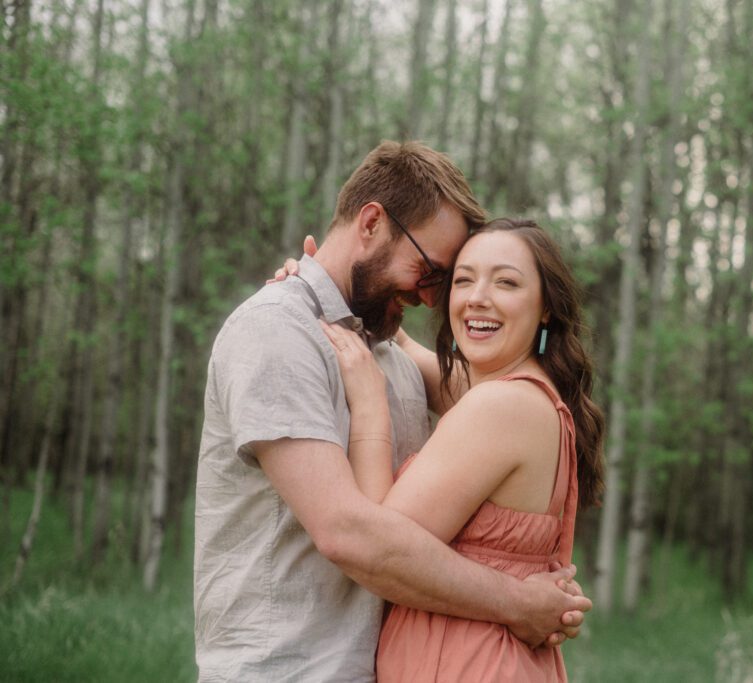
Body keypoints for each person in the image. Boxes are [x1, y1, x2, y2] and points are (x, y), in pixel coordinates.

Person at [194, 142, 590, 682]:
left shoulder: (385, 353)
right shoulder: (275, 332)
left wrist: (344, 299)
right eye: (433, 273)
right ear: (372, 222)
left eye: (441, 282)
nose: (434, 299)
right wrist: (519, 602)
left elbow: (503, 399)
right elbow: (348, 533)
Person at [317, 218, 605, 681]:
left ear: (546, 307)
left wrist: (370, 407)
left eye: (506, 282)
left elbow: (380, 547)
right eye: (464, 279)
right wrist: (326, 287)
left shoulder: (501, 405)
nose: (477, 298)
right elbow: (421, 359)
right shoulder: (524, 395)